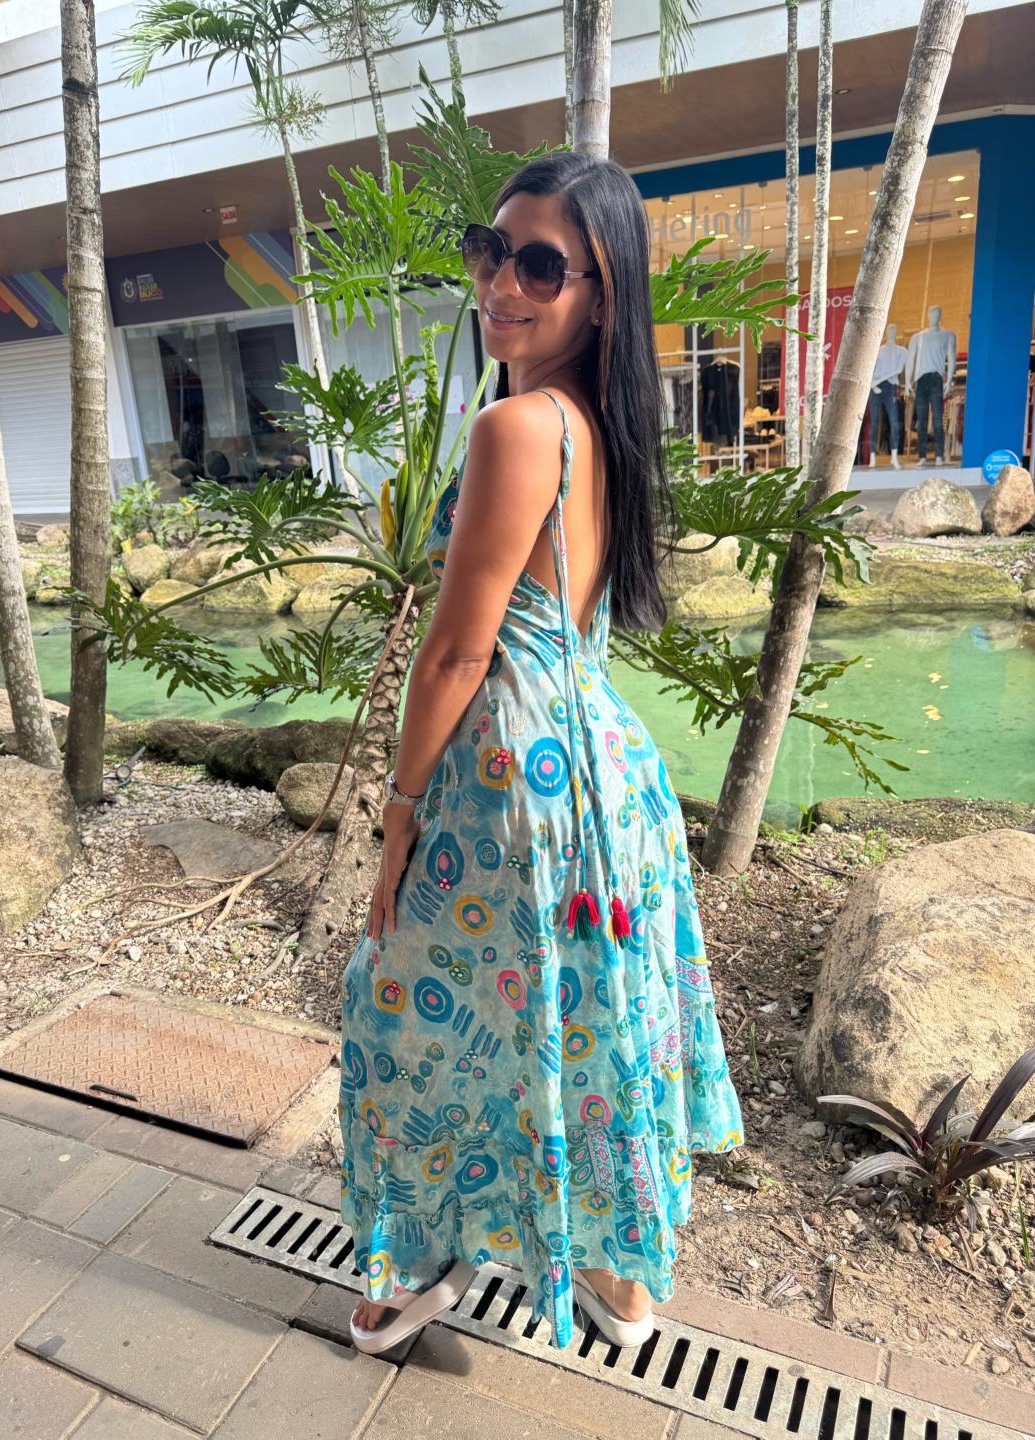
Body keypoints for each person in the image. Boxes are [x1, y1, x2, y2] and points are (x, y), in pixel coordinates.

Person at [338, 150, 745, 1357]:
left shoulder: (514, 427)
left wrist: (399, 812)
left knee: (409, 1016)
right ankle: (619, 1278)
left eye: (539, 265)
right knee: (578, 1016)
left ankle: (418, 1265)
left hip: (506, 782)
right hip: (605, 772)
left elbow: (457, 653)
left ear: (601, 296)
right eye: (491, 252)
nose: (501, 283)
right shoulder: (602, 428)